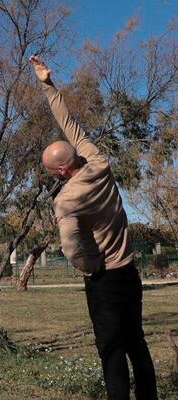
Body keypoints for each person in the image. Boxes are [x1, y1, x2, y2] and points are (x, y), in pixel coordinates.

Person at [31, 55, 157, 400]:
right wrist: (48, 85)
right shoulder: (99, 162)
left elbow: (71, 248)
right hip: (129, 272)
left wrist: (92, 267)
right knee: (137, 343)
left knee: (111, 350)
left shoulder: (67, 200)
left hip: (105, 279)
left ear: (61, 171)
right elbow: (69, 124)